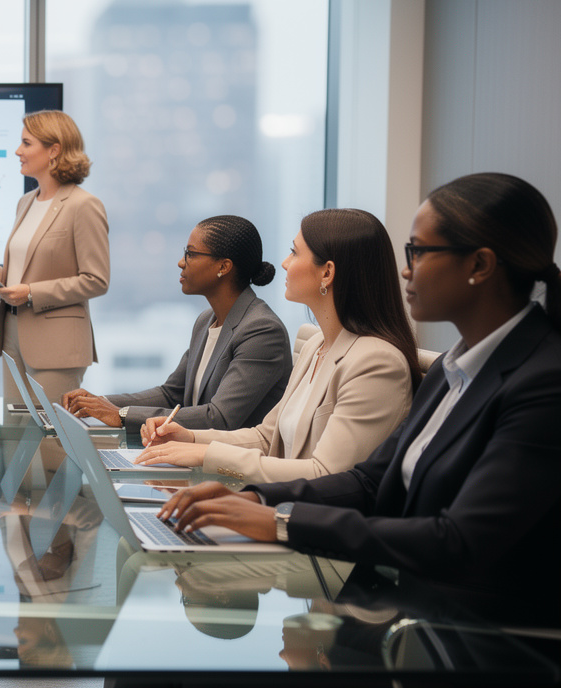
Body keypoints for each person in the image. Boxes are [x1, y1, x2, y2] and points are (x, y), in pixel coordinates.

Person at [160, 173, 561, 601]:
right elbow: (368, 481)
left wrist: (284, 521)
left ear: (479, 265)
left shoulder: (543, 384)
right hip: (409, 599)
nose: (406, 269)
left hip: (474, 627)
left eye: (418, 252)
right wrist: (258, 499)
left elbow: (458, 542)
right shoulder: (453, 369)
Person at [133, 209, 420, 483]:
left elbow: (326, 474)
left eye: (294, 252)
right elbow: (266, 437)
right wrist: (191, 438)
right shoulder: (316, 346)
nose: (284, 262)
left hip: (308, 513)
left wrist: (207, 455)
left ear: (327, 273)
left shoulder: (376, 363)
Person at [61, 215, 291, 434]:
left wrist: (120, 415)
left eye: (191, 254)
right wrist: (99, 403)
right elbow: (172, 395)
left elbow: (219, 418)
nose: (181, 262)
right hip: (195, 451)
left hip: (234, 459)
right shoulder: (205, 321)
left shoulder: (261, 330)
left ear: (223, 267)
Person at [0, 110, 109, 404]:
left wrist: (32, 293)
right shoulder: (25, 203)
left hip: (56, 344)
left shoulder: (83, 205)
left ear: (54, 150)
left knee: (50, 432)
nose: (17, 151)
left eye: (26, 143)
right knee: (15, 428)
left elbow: (96, 280)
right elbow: (28, 269)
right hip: (12, 334)